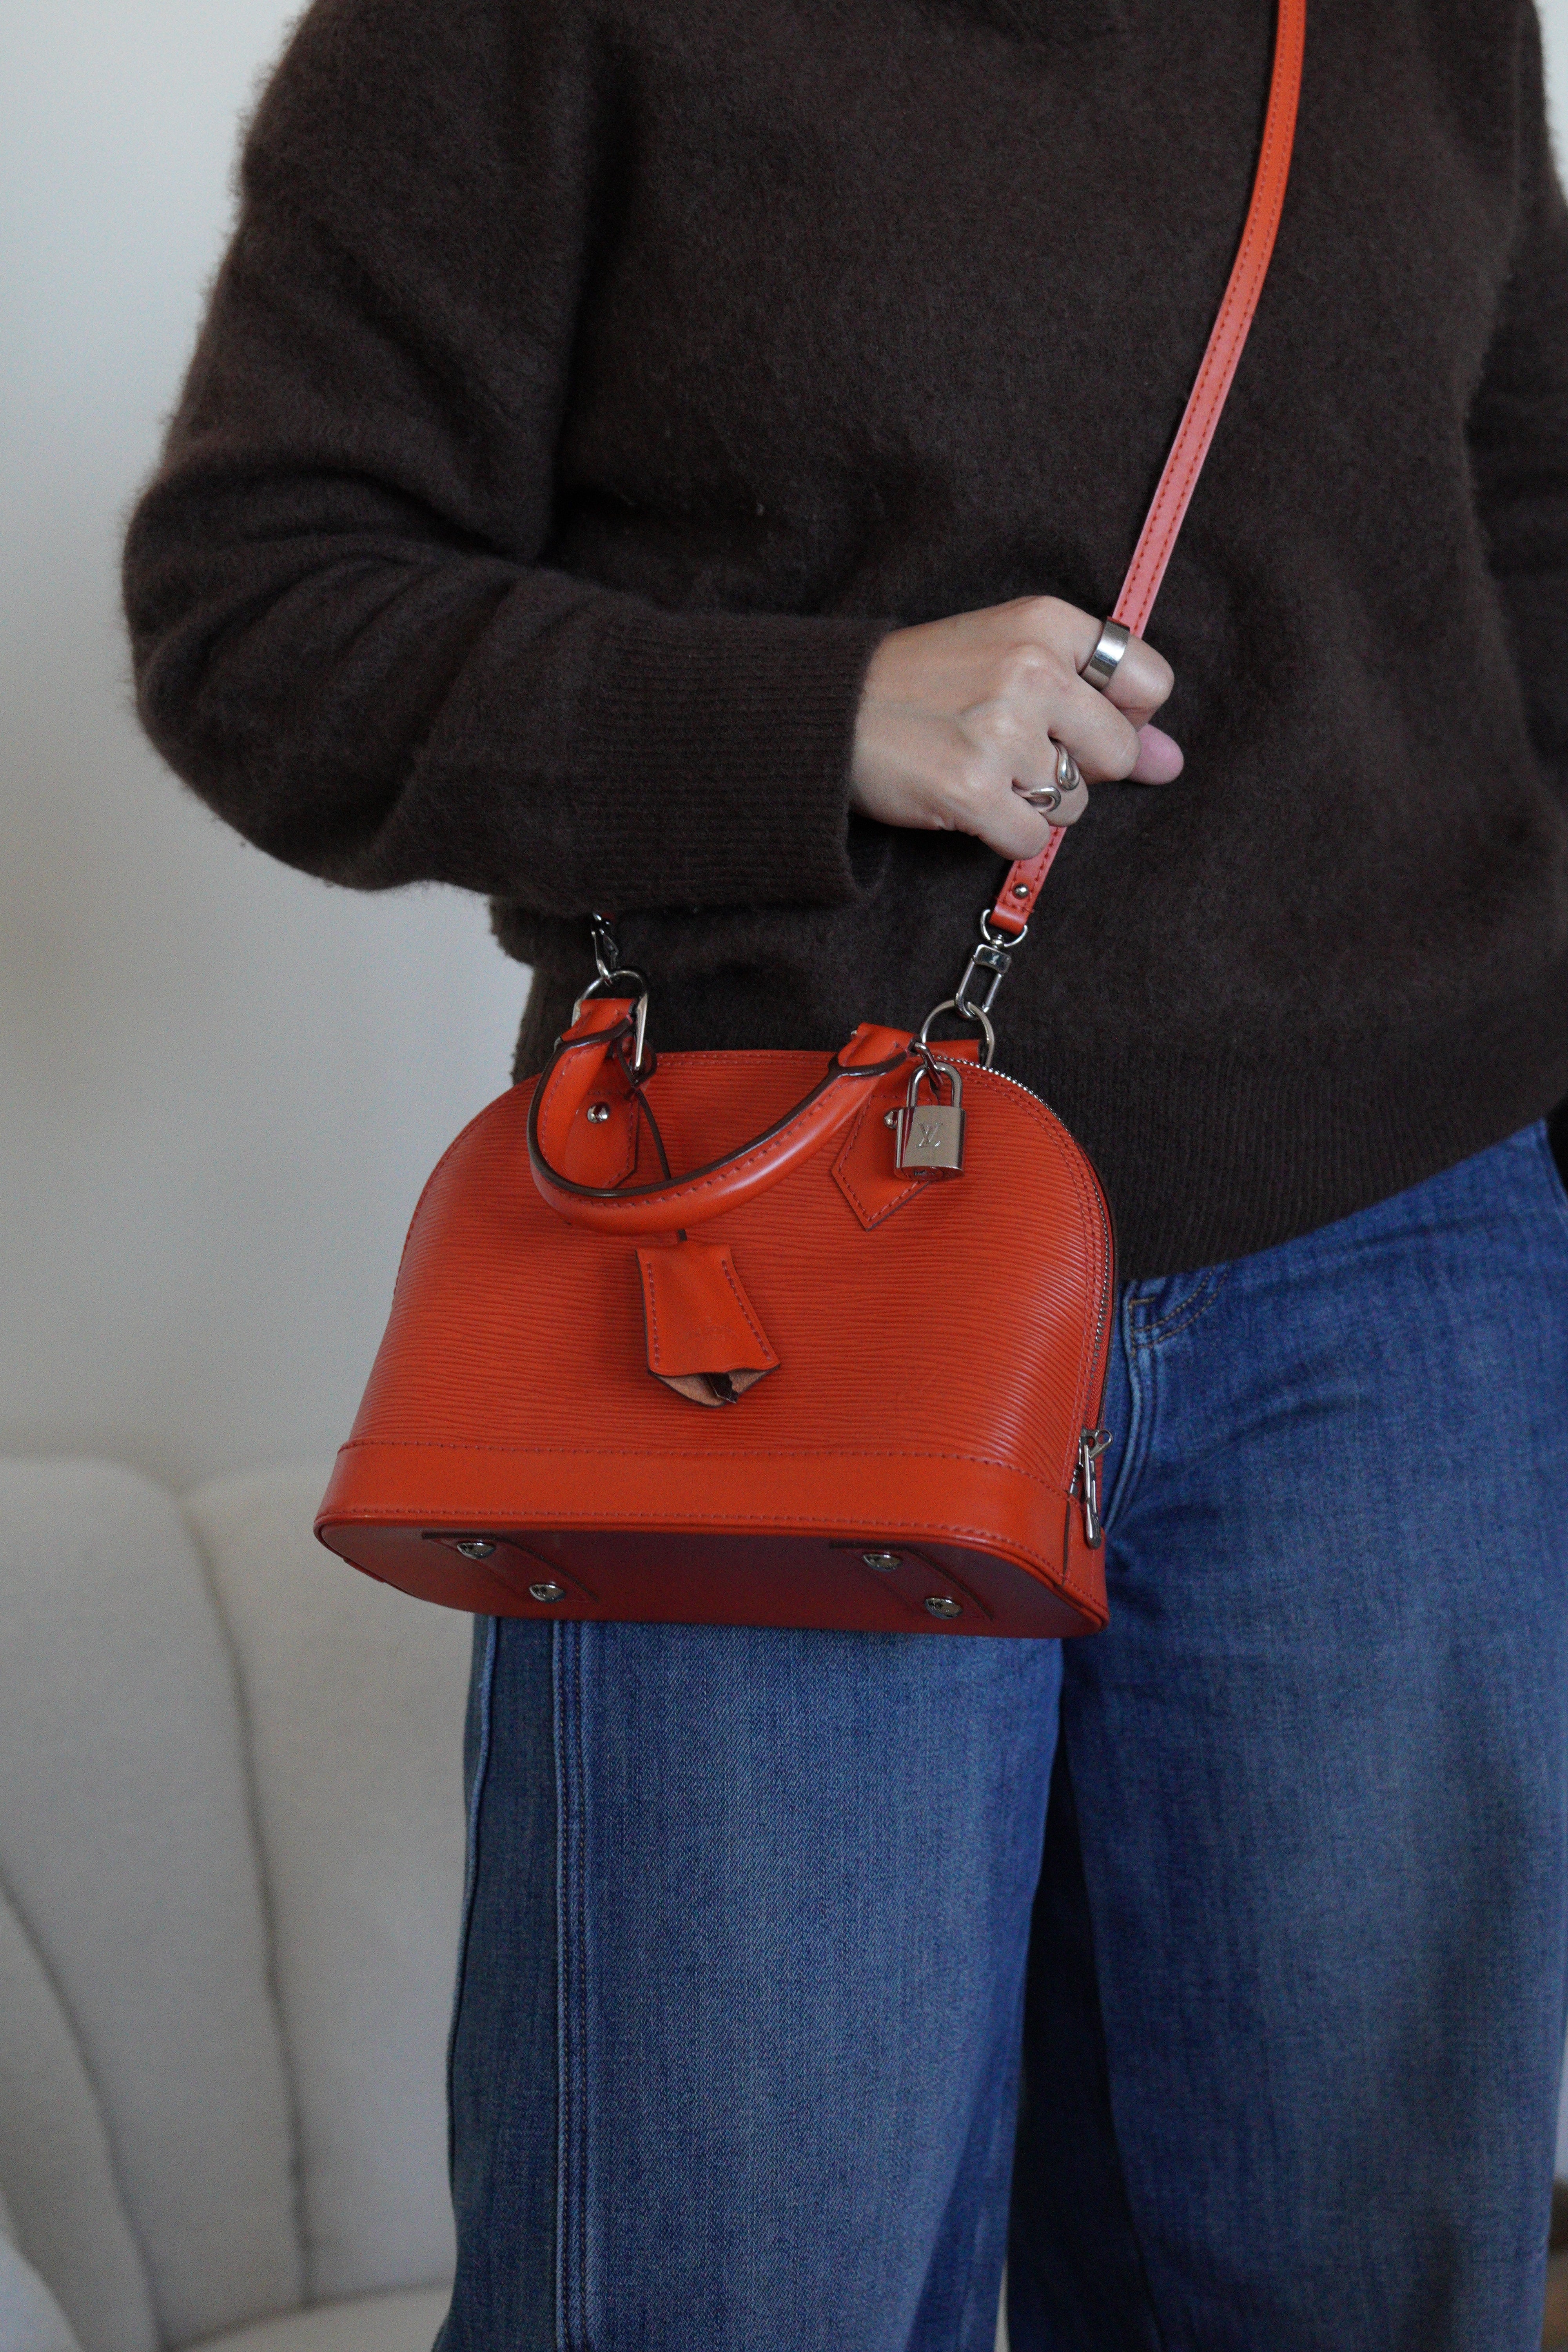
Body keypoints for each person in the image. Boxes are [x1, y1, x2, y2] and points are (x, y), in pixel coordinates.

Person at [122, 0, 1568, 2343]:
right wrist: (815, 720)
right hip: (768, 1274)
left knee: (1363, 2282)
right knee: (722, 2283)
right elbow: (257, 613)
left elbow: (1523, 544)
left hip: (1406, 1265)